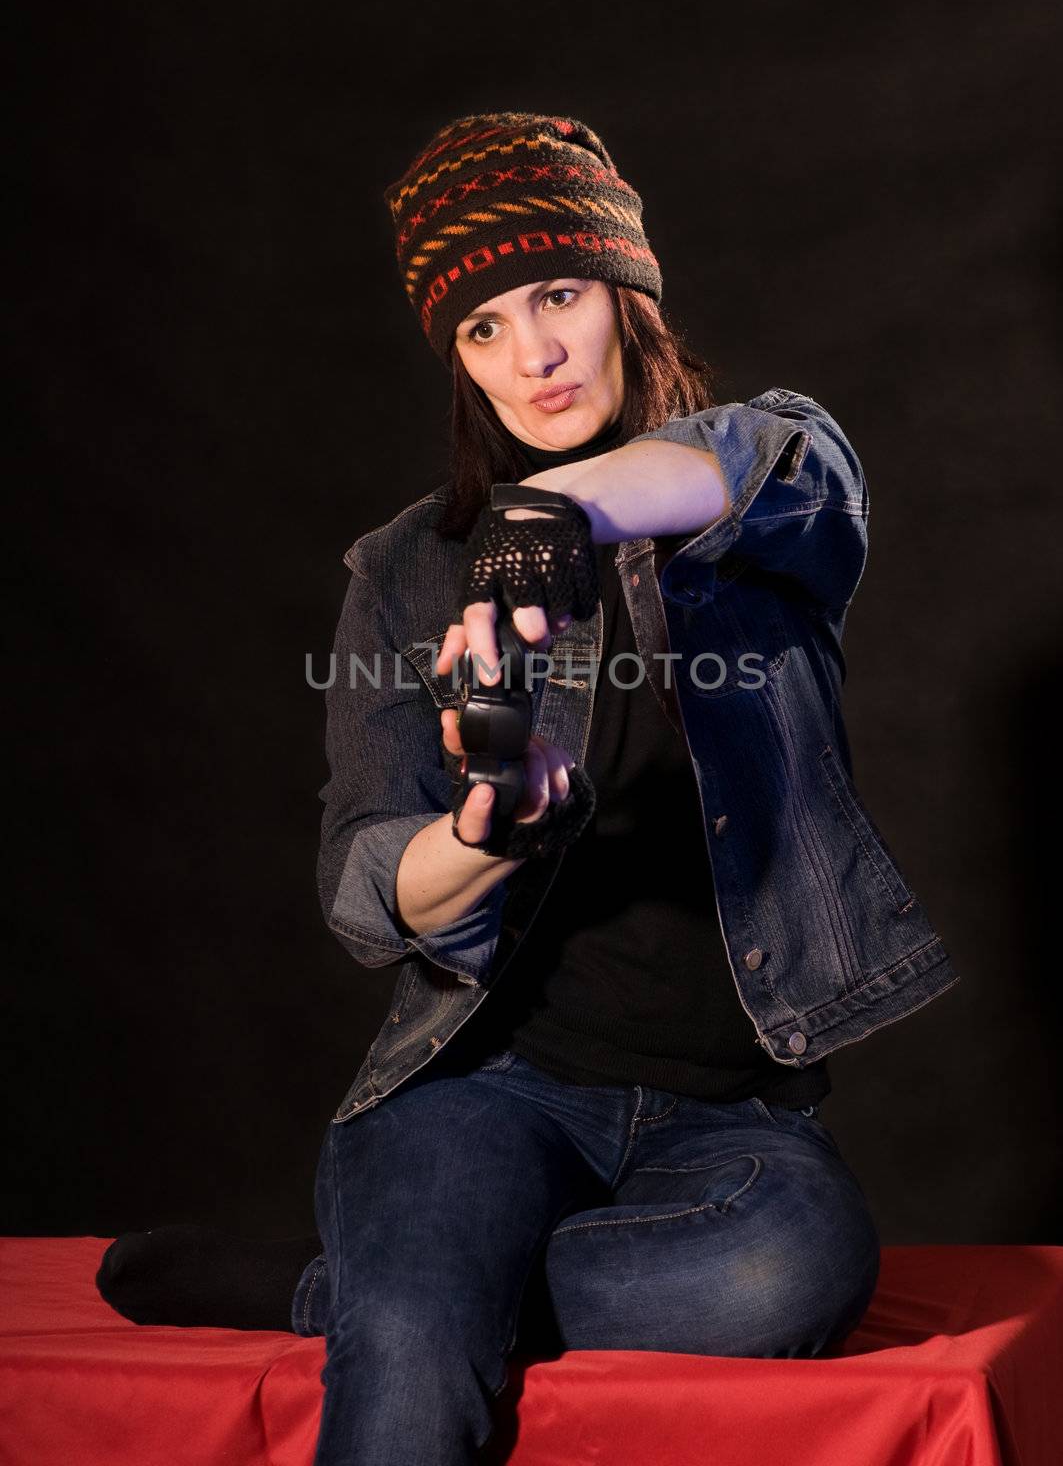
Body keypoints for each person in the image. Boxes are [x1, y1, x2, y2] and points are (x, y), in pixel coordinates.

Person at [98, 111, 960, 1465]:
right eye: (483, 327)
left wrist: (549, 519)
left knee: (781, 1276)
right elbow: (365, 888)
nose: (534, 354)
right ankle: (417, 1292)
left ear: (626, 292)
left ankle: (363, 1292)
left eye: (557, 296)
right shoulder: (400, 570)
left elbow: (776, 464)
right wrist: (487, 833)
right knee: (422, 1349)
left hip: (727, 1117)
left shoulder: (767, 500)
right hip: (485, 1086)